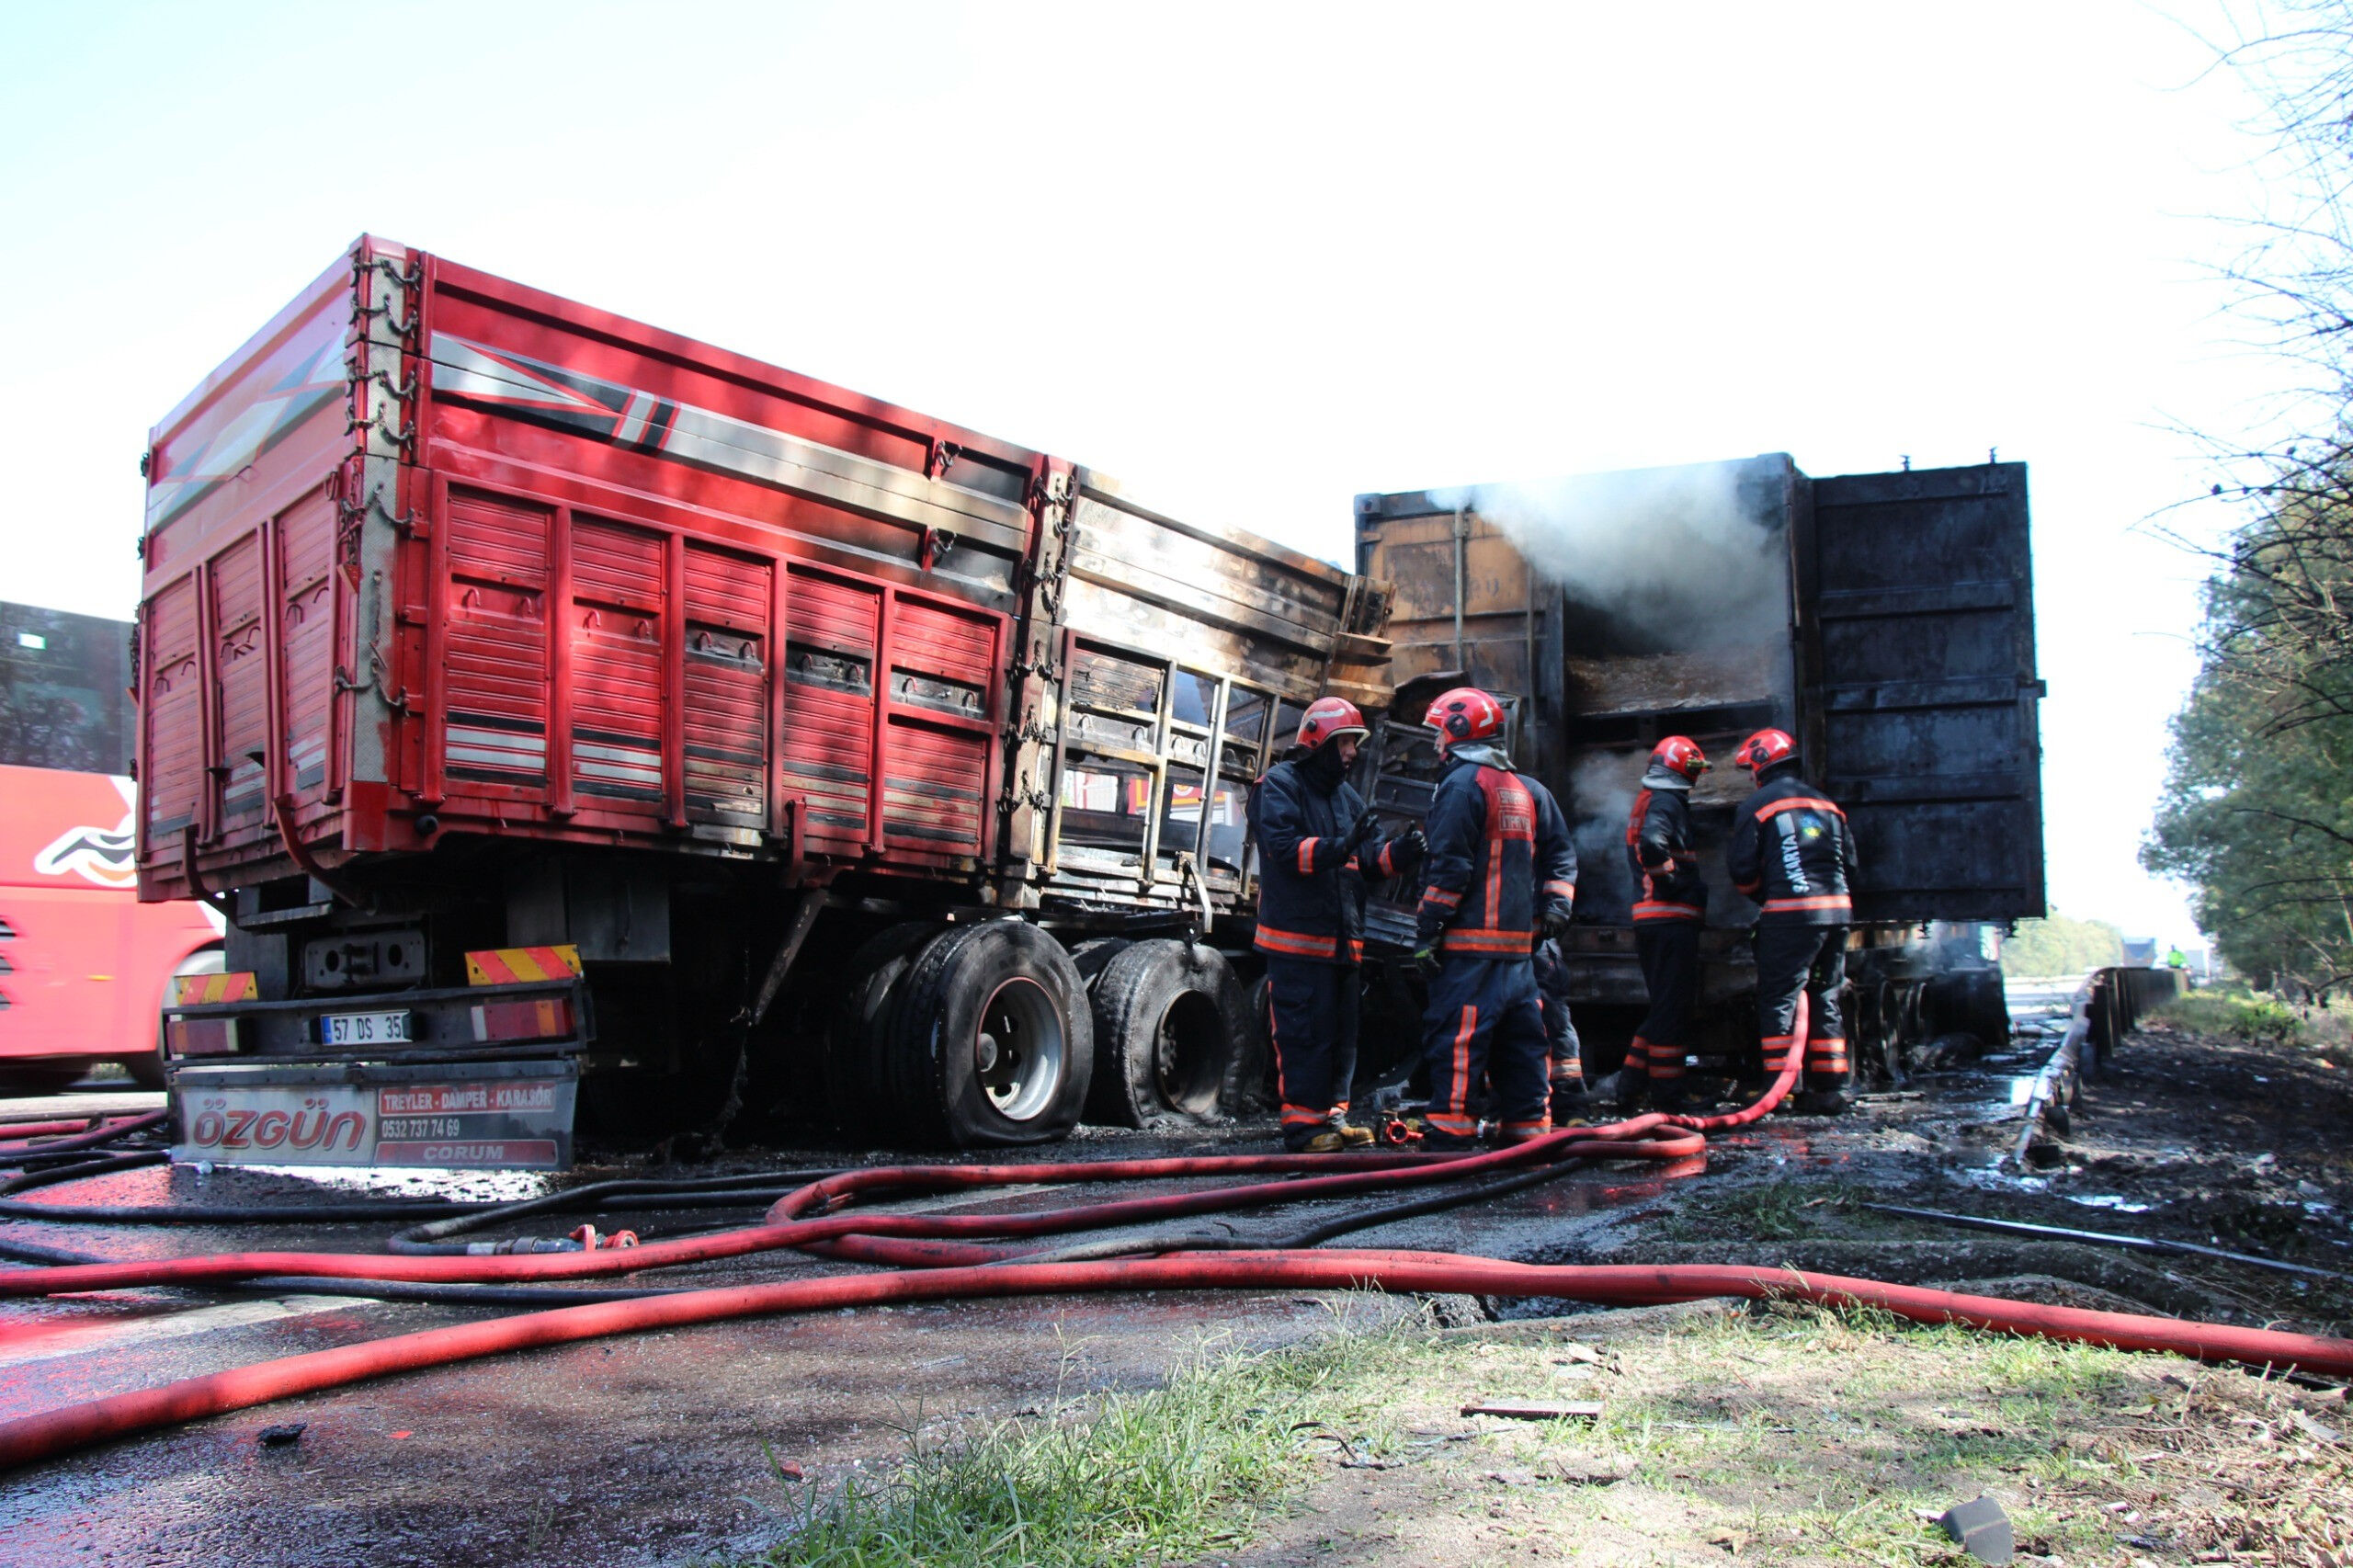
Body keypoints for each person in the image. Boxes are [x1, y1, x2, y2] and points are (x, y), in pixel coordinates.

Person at [1249, 697, 1424, 1152]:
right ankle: (1304, 1128)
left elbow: (1369, 862)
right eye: (1345, 742)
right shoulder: (1279, 785)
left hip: (1345, 945)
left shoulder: (1345, 796)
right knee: (1304, 1034)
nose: (1352, 753)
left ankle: (1335, 1118)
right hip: (1298, 942)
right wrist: (1341, 843)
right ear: (1318, 740)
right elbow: (1286, 851)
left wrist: (1399, 856)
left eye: (1354, 744)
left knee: (1343, 1039)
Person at [1411, 687, 1579, 1150]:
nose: (1435, 742)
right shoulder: (1522, 788)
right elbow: (1558, 854)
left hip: (1469, 951)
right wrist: (1552, 913)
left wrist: (1428, 930)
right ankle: (1527, 1134)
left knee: (1459, 1039)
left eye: (1437, 731)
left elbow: (1449, 867)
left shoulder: (1462, 785)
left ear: (1458, 730)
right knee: (1521, 1044)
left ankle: (1450, 1133)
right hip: (1518, 954)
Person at [1725, 727, 1859, 1115]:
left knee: (1780, 998)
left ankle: (1780, 1091)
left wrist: (1766, 898)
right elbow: (1850, 864)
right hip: (1838, 913)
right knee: (1825, 994)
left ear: (1760, 766)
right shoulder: (1827, 804)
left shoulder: (1758, 805)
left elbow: (1743, 870)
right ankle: (1830, 1088)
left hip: (1791, 917)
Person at [1618, 734, 1711, 1113]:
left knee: (1663, 1008)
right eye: (1692, 770)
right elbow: (1653, 844)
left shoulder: (1650, 799)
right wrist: (1670, 883)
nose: (1696, 778)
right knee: (1672, 1013)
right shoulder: (1667, 800)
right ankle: (1669, 1097)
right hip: (1670, 920)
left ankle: (1630, 1087)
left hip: (1655, 921)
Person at [1533, 937, 1585, 1119]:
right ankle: (1503, 1111)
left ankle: (1570, 1109)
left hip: (1536, 947)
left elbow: (1559, 910)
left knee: (1555, 1025)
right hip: (1503, 953)